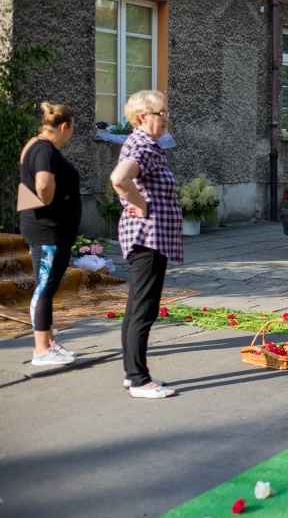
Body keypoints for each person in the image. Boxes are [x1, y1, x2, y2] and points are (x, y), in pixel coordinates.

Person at [110, 90, 181, 399]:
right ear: (143, 118)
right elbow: (119, 178)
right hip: (147, 238)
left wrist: (138, 202)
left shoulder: (144, 145)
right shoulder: (142, 146)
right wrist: (141, 204)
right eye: (161, 113)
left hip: (150, 238)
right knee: (143, 307)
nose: (166, 118)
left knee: (138, 306)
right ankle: (139, 380)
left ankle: (132, 374)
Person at [19, 102, 81, 366]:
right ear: (64, 126)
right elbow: (43, 184)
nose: (71, 135)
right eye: (72, 130)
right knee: (44, 286)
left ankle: (48, 341)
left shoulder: (34, 144)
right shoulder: (45, 150)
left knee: (47, 285)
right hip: (48, 231)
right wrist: (49, 201)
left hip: (49, 229)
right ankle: (41, 350)